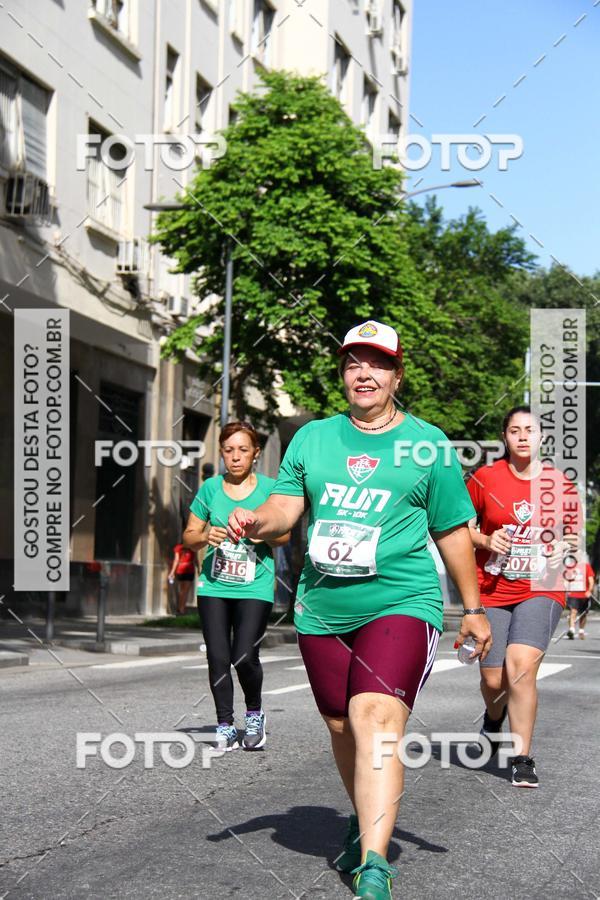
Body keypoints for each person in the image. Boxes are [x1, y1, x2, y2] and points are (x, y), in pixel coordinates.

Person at [226, 321, 490, 900]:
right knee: (343, 725)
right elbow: (284, 509)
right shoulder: (314, 438)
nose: (363, 373)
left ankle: (374, 862)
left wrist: (472, 607)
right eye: (352, 363)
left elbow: (451, 530)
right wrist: (256, 520)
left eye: (377, 363)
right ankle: (363, 819)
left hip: (401, 599)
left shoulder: (428, 443)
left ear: (397, 375)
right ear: (343, 374)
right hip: (323, 607)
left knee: (374, 716)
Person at [467, 405, 581, 788]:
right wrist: (485, 539)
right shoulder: (484, 478)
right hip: (492, 587)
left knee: (520, 667)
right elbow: (460, 528)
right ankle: (493, 719)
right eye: (514, 430)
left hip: (542, 587)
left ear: (541, 437)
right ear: (504, 436)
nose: (522, 436)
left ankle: (522, 758)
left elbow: (572, 535)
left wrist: (563, 547)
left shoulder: (560, 484)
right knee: (494, 680)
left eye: (530, 430)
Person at [182, 422, 290, 751]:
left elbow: (284, 535)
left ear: (256, 453)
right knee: (218, 657)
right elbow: (189, 537)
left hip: (254, 586)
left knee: (244, 656)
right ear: (221, 453)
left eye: (243, 450)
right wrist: (205, 536)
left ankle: (254, 714)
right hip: (214, 586)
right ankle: (225, 725)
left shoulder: (270, 489)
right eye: (229, 450)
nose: (236, 457)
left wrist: (259, 532)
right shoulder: (210, 489)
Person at [567, 560, 595, 639]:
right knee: (573, 611)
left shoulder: (586, 566)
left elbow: (591, 580)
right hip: (573, 594)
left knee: (583, 614)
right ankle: (572, 630)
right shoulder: (569, 566)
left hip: (584, 595)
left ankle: (581, 631)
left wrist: (589, 591)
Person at [168, 542, 196, 615]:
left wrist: (172, 572)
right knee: (185, 591)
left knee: (182, 591)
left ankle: (180, 608)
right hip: (188, 570)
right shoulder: (192, 547)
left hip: (181, 569)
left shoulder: (179, 547)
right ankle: (182, 609)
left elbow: (176, 560)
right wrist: (172, 572)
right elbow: (176, 560)